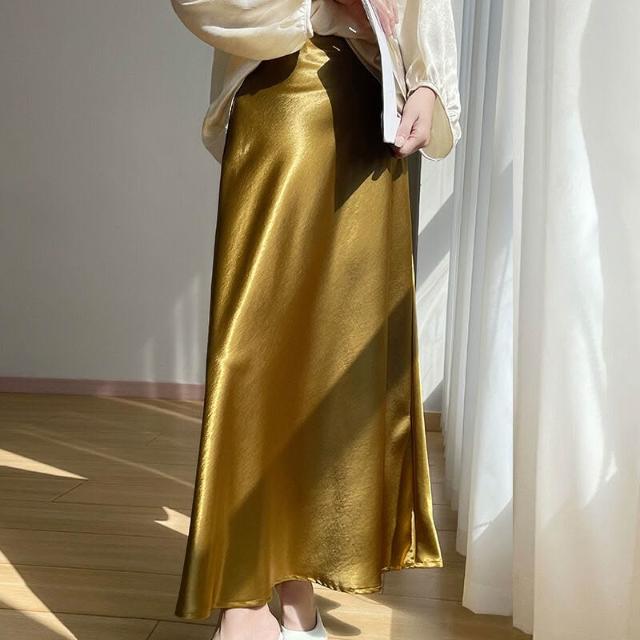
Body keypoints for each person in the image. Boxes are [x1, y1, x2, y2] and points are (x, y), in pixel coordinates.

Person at [170, 1, 461, 638]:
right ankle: (243, 604)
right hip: (286, 92)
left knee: (333, 361)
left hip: (373, 105)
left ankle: (295, 592)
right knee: (257, 354)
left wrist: (428, 81)